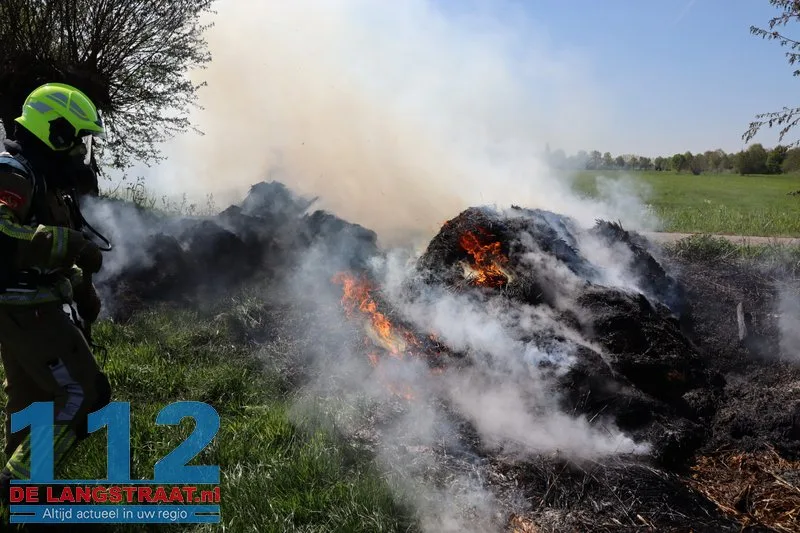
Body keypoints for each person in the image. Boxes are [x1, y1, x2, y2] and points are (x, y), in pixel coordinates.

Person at [0, 83, 112, 501]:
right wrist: (73, 245)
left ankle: (29, 505)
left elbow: (44, 254)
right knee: (87, 396)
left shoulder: (40, 176)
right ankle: (17, 482)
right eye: (77, 139)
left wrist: (82, 288)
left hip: (28, 307)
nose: (80, 152)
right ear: (55, 132)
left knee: (32, 405)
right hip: (24, 310)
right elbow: (4, 232)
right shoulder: (13, 172)